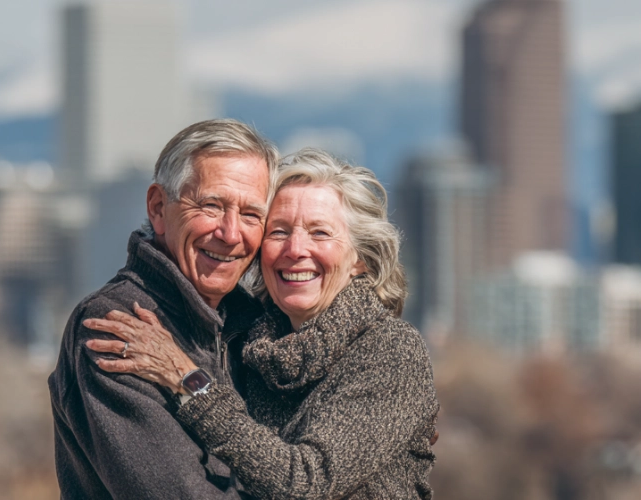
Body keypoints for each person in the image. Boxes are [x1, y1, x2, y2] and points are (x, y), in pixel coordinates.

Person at [83, 149, 440, 499]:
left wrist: (187, 379)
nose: (296, 249)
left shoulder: (390, 350)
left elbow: (305, 483)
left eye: (319, 233)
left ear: (360, 259)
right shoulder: (253, 347)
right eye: (279, 232)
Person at [48, 119, 279, 499]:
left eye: (252, 214)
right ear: (158, 207)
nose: (231, 233)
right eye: (211, 205)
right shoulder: (113, 325)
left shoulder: (255, 322)